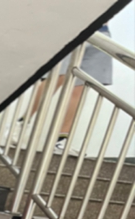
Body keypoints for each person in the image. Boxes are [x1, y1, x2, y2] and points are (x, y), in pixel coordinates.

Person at [15, 24, 112, 155]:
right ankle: (20, 124)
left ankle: (61, 140)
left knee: (80, 88)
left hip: (101, 32)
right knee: (57, 77)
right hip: (77, 27)